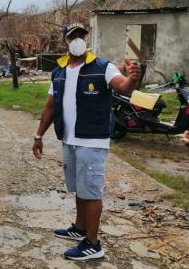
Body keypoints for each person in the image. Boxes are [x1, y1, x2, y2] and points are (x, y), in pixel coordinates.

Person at [32, 22, 140, 261]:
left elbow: (122, 86)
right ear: (66, 41)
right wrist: (38, 135)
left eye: (82, 35)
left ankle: (93, 242)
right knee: (79, 187)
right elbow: (50, 106)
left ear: (86, 40)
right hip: (69, 139)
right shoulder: (59, 70)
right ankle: (80, 228)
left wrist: (132, 79)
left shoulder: (103, 67)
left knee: (90, 191)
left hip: (92, 140)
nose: (78, 39)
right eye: (73, 36)